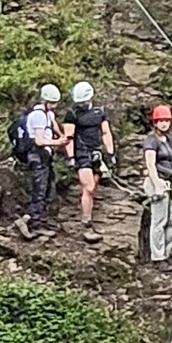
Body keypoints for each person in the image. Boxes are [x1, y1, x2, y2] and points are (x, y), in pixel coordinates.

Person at [62, 80, 116, 245]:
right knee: (89, 186)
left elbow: (105, 132)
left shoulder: (99, 112)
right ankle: (86, 222)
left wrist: (111, 152)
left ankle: (89, 217)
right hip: (81, 154)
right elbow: (69, 137)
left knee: (93, 189)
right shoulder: (72, 114)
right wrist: (71, 157)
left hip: (96, 154)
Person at [137, 102, 172, 265]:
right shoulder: (151, 141)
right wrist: (156, 183)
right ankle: (158, 257)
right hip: (158, 182)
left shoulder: (169, 140)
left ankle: (165, 251)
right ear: (155, 122)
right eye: (161, 120)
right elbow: (150, 163)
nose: (164, 123)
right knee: (159, 220)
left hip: (171, 184)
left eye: (167, 120)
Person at [17, 84, 62, 238]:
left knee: (49, 190)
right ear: (45, 101)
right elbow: (40, 140)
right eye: (53, 103)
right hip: (37, 155)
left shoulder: (48, 115)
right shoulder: (38, 115)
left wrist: (62, 136)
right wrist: (59, 143)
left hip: (45, 156)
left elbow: (55, 128)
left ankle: (31, 219)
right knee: (40, 190)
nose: (55, 106)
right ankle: (35, 224)